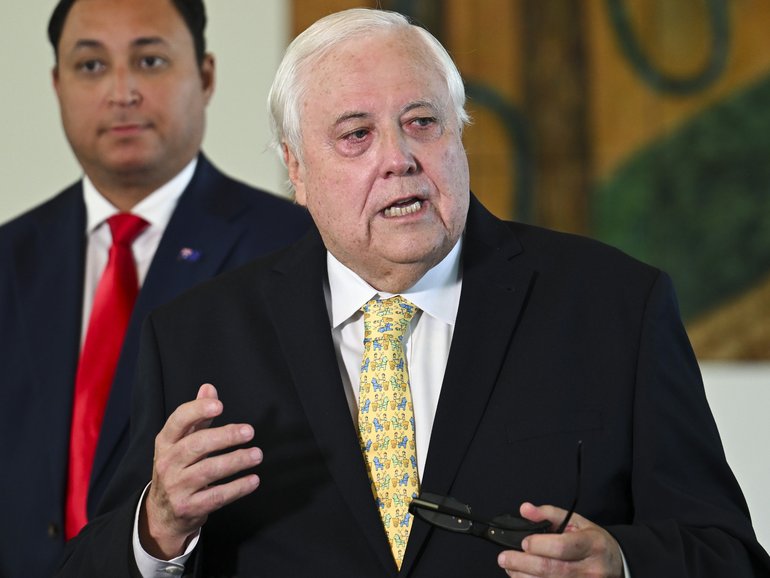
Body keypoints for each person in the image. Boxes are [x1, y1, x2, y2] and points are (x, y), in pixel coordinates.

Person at [56, 8, 770, 578]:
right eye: (355, 135)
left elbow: (728, 555)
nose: (398, 159)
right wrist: (158, 529)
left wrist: (621, 565)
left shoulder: (617, 306)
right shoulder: (196, 337)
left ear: (458, 137)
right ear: (296, 172)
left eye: (421, 123)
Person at [0, 0, 310, 576]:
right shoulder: (9, 258)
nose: (122, 92)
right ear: (56, 84)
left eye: (149, 60)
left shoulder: (295, 248)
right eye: (91, 66)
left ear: (207, 76)